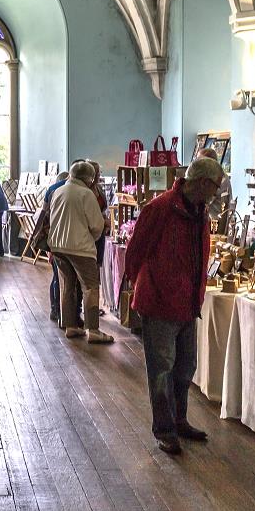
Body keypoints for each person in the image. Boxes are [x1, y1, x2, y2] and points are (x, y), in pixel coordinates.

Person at [124, 157, 224, 455]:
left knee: (184, 369)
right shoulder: (161, 208)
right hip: (160, 304)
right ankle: (165, 430)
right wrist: (147, 286)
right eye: (215, 187)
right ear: (203, 183)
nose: (216, 193)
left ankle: (179, 420)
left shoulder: (200, 212)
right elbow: (135, 252)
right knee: (162, 370)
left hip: (187, 305)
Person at [47, 161, 113, 344]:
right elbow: (97, 225)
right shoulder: (86, 194)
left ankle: (70, 326)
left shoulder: (58, 191)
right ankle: (93, 329)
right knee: (90, 288)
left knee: (67, 287)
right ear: (89, 178)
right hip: (81, 248)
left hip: (58, 246)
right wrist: (92, 237)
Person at [40, 170, 81, 325]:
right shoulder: (79, 191)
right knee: (68, 280)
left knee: (57, 277)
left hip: (54, 239)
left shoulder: (52, 189)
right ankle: (70, 315)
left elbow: (44, 216)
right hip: (71, 240)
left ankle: (55, 310)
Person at [197, 147, 232, 229]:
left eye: (200, 162)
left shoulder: (217, 179)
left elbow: (202, 201)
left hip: (216, 226)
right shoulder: (219, 175)